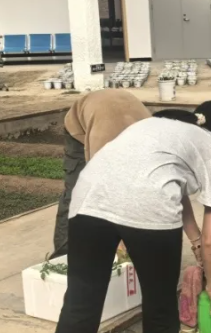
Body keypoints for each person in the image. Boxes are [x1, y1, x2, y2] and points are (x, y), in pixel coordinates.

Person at [43, 101, 211, 333]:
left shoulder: (161, 128)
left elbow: (176, 192)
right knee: (160, 306)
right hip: (147, 205)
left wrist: (194, 243)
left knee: (79, 307)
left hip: (88, 200)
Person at [53, 90, 151, 258]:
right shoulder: (102, 143)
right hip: (81, 128)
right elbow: (98, 189)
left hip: (121, 108)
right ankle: (64, 255)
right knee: (77, 194)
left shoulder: (153, 144)